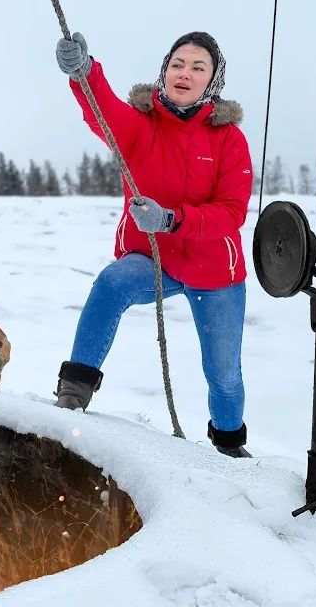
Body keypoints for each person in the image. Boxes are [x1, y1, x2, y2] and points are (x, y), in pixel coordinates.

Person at [51, 30, 255, 458]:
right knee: (112, 283)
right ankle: (72, 396)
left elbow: (232, 212)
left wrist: (172, 219)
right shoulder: (141, 126)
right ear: (164, 73)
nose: (185, 73)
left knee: (224, 375)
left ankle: (230, 449)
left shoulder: (228, 139)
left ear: (212, 82)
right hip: (153, 259)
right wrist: (83, 71)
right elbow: (101, 109)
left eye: (199, 68)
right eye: (178, 64)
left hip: (215, 270)